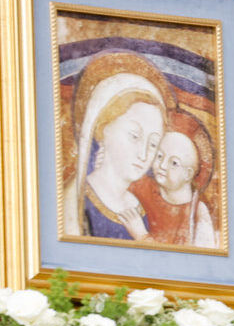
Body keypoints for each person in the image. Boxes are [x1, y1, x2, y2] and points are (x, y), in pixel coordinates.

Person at [62, 51, 176, 239]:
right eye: (134, 136)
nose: (143, 155)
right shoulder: (75, 203)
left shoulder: (136, 207)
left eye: (153, 144)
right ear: (102, 129)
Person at [124, 109, 219, 248]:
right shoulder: (142, 185)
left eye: (174, 163)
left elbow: (193, 257)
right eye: (159, 156)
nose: (162, 165)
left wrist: (142, 236)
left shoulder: (197, 212)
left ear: (188, 174)